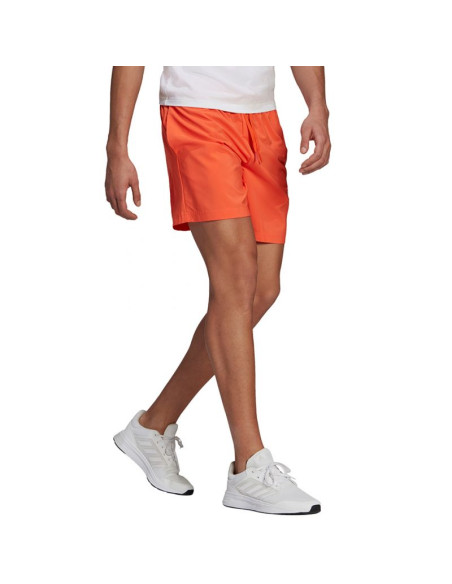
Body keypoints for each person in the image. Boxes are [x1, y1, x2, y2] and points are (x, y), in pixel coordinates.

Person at [105, 66, 331, 514]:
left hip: (261, 118)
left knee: (262, 290)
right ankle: (249, 465)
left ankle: (151, 426)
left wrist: (317, 105)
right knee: (235, 281)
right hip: (196, 114)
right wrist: (117, 147)